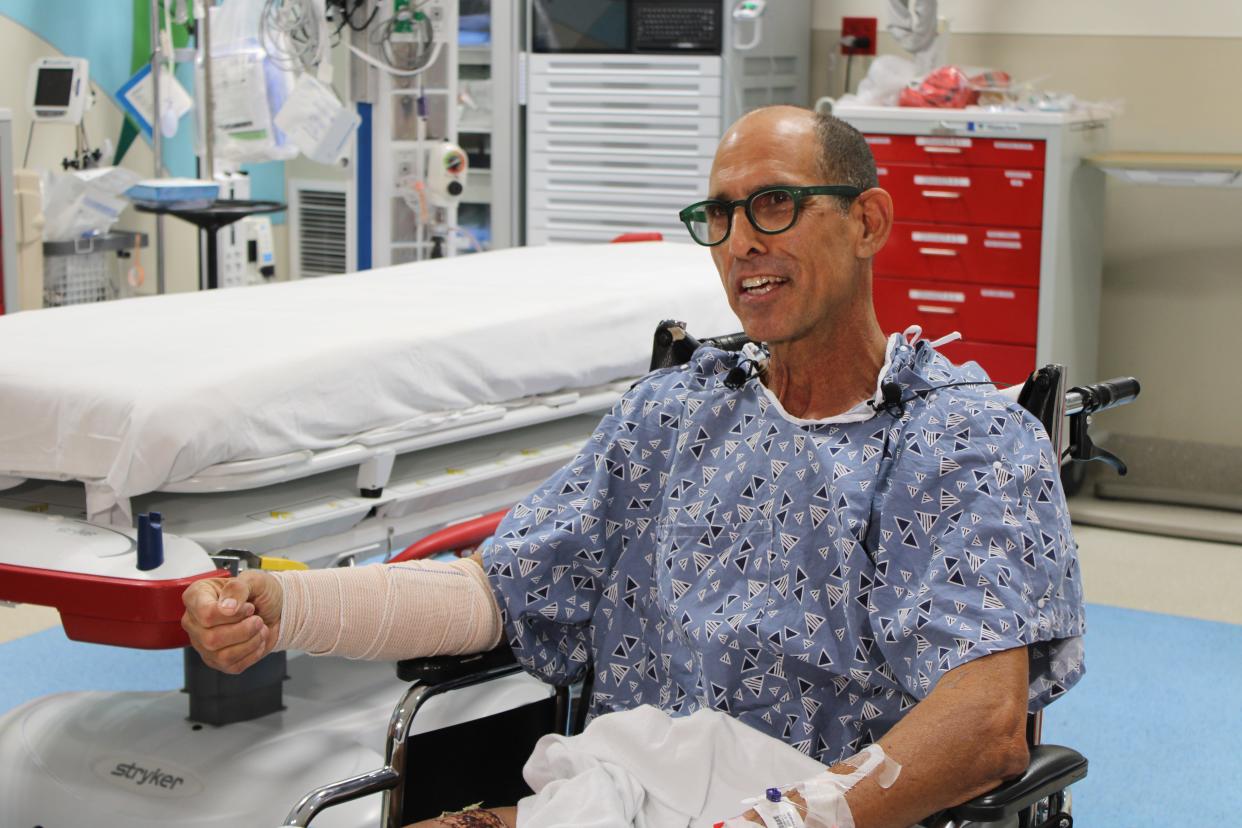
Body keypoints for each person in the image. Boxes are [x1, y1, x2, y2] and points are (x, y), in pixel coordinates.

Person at [182, 106, 1084, 828]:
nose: (741, 242)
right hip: (613, 798)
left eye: (775, 204)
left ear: (867, 221)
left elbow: (987, 726)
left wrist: (798, 819)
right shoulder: (674, 415)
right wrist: (284, 603)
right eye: (720, 217)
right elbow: (499, 590)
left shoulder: (958, 441)